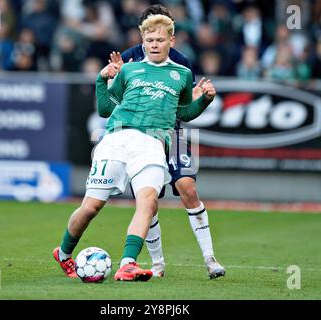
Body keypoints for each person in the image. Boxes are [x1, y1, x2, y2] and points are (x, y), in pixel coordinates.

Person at [53, 14, 214, 281]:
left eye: (159, 40)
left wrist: (205, 100)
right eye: (149, 40)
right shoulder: (129, 70)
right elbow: (106, 109)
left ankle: (128, 263)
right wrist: (100, 80)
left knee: (148, 201)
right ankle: (64, 253)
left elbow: (185, 112)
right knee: (91, 207)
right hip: (116, 139)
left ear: (171, 41)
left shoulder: (183, 74)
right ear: (142, 41)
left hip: (152, 142)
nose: (153, 44)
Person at [109, 4, 225, 279]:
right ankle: (158, 263)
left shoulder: (181, 61)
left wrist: (201, 97)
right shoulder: (128, 60)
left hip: (170, 134)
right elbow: (112, 101)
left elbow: (185, 106)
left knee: (188, 187)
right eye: (151, 31)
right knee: (148, 200)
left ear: (171, 34)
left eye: (164, 31)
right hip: (139, 138)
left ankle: (210, 259)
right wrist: (113, 77)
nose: (157, 38)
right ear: (143, 32)